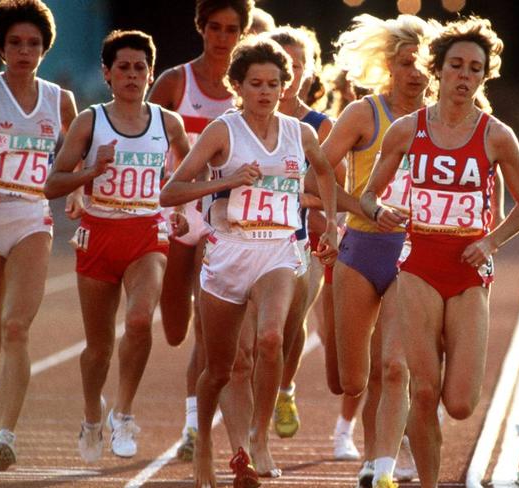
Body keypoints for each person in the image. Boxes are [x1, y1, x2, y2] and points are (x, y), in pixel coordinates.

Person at [360, 16, 519, 488]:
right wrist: (380, 213)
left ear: (485, 75)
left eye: (474, 68)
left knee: (459, 403)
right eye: (456, 65)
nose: (464, 76)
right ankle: (430, 483)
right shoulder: (406, 128)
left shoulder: (496, 135)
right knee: (422, 392)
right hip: (419, 264)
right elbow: (368, 195)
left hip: (467, 268)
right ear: (437, 70)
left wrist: (490, 240)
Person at [159, 36, 338, 488]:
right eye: (255, 83)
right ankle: (206, 445)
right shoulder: (224, 131)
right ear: (238, 85)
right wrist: (228, 180)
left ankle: (257, 438)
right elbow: (171, 191)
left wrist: (331, 223)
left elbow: (326, 172)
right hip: (227, 252)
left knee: (272, 338)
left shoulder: (302, 132)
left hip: (279, 248)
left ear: (286, 85)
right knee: (222, 367)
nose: (265, 91)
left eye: (274, 83)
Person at [44, 29, 190, 463]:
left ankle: (124, 412)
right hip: (99, 234)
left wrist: (182, 205)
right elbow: (54, 181)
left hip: (147, 233)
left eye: (140, 68)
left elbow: (187, 171)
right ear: (107, 74)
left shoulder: (168, 123)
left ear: (150, 73)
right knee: (98, 348)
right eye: (123, 68)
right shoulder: (91, 121)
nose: (131, 75)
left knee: (142, 321)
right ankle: (93, 414)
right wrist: (92, 173)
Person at [312, 13, 434, 485]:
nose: (417, 73)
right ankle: (376, 451)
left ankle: (380, 463)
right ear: (390, 65)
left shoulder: (442, 118)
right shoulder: (364, 114)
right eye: (407, 63)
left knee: (395, 365)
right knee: (354, 379)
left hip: (415, 253)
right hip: (361, 247)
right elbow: (314, 175)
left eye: (424, 63)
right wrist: (360, 208)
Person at [147, 0, 254, 462]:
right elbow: (142, 140)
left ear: (242, 33)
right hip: (174, 212)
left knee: (209, 334)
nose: (223, 37)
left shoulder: (247, 89)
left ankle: (194, 427)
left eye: (232, 29)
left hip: (222, 217)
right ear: (201, 28)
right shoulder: (176, 82)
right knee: (173, 328)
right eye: (215, 27)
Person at [0, 0, 77, 471]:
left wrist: (79, 193)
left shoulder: (59, 101)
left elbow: (75, 156)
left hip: (30, 218)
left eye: (34, 44)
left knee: (17, 327)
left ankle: (5, 436)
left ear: (45, 48)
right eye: (16, 43)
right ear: (1, 47)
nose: (25, 51)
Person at [264, 25, 333, 442]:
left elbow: (331, 191)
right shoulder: (239, 121)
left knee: (292, 322)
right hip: (248, 238)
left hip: (304, 239)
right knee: (252, 338)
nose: (289, 72)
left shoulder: (321, 126)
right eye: (282, 63)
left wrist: (304, 200)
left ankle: (285, 389)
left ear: (309, 71)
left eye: (297, 64)